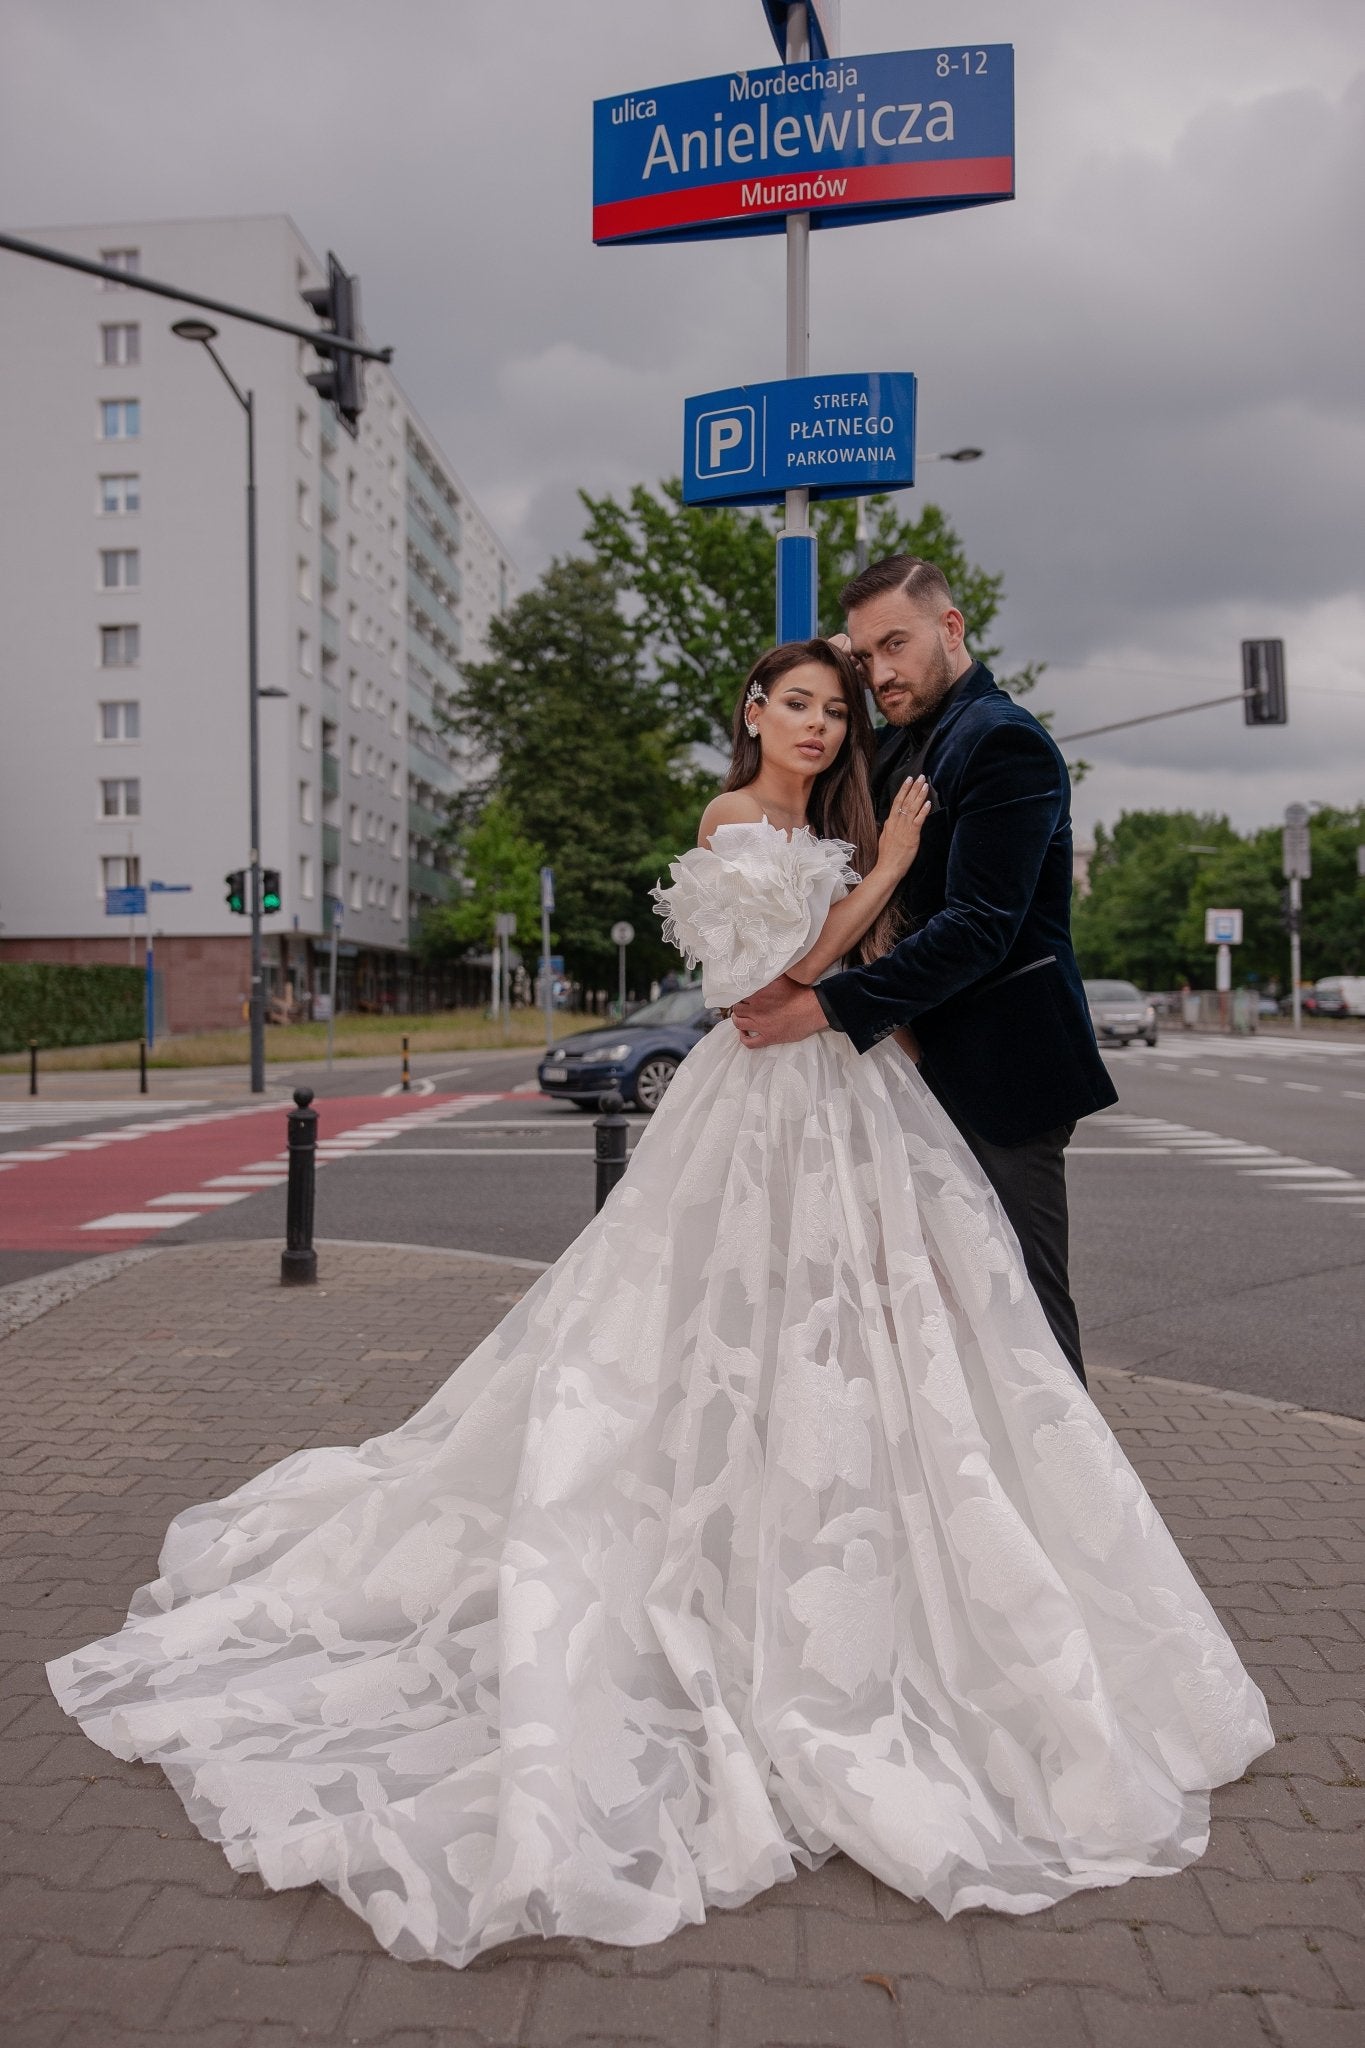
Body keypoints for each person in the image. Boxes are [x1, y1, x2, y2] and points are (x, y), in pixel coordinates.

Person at [47, 639, 1273, 1971]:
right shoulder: (733, 819)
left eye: (833, 711)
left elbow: (849, 985)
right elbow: (761, 990)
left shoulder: (832, 822)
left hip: (857, 1107)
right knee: (698, 1336)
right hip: (755, 1116)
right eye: (794, 704)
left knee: (868, 1345)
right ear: (751, 713)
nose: (814, 727)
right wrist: (892, 880)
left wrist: (888, 909)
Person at [733, 557, 1116, 1388]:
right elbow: (806, 775)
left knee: (1023, 1321)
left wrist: (823, 1009)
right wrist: (835, 660)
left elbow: (979, 927)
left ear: (952, 629)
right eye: (867, 657)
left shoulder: (1003, 742)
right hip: (904, 1074)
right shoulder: (898, 740)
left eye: (896, 645)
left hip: (999, 1074)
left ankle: (1077, 1512)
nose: (880, 673)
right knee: (931, 1321)